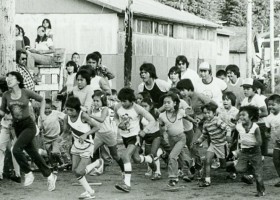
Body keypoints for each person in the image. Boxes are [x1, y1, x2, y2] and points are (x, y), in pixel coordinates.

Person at [0, 71, 57, 191]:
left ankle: (27, 172)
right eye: (7, 78)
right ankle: (50, 175)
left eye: (12, 78)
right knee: (34, 154)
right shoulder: (6, 95)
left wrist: (42, 114)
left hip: (29, 126)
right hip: (17, 127)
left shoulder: (25, 92)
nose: (8, 80)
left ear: (18, 81)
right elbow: (2, 112)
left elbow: (42, 100)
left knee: (15, 149)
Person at [114, 88, 157, 193]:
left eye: (125, 101)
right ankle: (149, 159)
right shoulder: (117, 106)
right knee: (137, 159)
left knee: (125, 156)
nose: (122, 103)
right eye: (121, 101)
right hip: (125, 136)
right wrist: (118, 124)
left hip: (135, 136)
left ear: (131, 100)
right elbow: (115, 117)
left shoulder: (138, 108)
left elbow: (152, 120)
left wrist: (145, 131)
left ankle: (127, 184)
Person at [61, 96, 101, 199]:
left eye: (71, 110)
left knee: (79, 171)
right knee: (75, 171)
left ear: (77, 109)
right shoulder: (66, 117)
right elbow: (66, 132)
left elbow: (97, 126)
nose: (69, 112)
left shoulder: (83, 116)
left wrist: (85, 134)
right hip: (76, 146)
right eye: (67, 109)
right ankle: (89, 190)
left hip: (88, 145)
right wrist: (60, 140)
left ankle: (97, 163)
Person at [194, 102, 231, 187]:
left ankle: (233, 164)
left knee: (223, 166)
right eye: (205, 113)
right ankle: (207, 180)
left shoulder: (217, 121)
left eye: (208, 113)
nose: (207, 115)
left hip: (221, 145)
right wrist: (199, 141)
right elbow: (204, 134)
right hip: (213, 145)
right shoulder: (205, 123)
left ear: (214, 113)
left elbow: (227, 128)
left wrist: (228, 136)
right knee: (207, 160)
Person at [158, 92, 190, 187]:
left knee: (172, 156)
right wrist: (162, 134)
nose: (166, 104)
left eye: (168, 102)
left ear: (175, 103)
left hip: (181, 137)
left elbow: (187, 116)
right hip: (171, 139)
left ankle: (173, 178)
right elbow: (161, 127)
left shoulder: (179, 112)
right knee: (181, 156)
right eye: (164, 103)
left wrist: (194, 121)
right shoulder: (162, 116)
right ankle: (190, 167)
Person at [88, 90, 124, 173]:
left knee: (115, 155)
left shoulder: (105, 109)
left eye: (97, 101)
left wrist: (90, 115)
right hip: (98, 135)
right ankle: (96, 168)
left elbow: (101, 119)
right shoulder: (93, 109)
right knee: (91, 152)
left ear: (102, 101)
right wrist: (89, 110)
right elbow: (88, 118)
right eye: (94, 101)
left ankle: (124, 169)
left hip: (108, 134)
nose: (95, 103)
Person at [235, 105, 265, 197]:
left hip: (255, 152)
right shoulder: (238, 126)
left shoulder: (255, 127)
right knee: (239, 169)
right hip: (244, 152)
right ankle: (251, 170)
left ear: (251, 116)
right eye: (240, 115)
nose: (241, 117)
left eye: (244, 115)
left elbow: (259, 142)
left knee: (258, 175)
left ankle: (261, 191)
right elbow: (234, 135)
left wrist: (246, 142)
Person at [240, 78, 268, 157]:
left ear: (254, 89)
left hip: (260, 125)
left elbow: (265, 112)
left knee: (261, 148)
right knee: (250, 145)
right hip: (250, 125)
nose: (245, 91)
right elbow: (241, 111)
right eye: (244, 89)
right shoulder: (245, 100)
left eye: (248, 89)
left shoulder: (257, 98)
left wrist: (252, 117)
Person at [0, 79, 20, 182]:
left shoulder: (16, 96)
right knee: (0, 148)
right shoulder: (2, 98)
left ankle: (17, 174)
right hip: (5, 125)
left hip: (16, 125)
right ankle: (0, 173)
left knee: (15, 149)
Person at [38, 99, 65, 172]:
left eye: (48, 108)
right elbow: (39, 126)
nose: (47, 110)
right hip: (47, 138)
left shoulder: (55, 113)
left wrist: (63, 123)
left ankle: (61, 161)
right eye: (45, 108)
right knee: (49, 154)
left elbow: (65, 116)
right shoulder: (41, 116)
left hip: (56, 137)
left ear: (51, 107)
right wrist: (40, 129)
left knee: (55, 152)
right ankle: (54, 166)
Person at [140, 98, 163, 180]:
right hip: (147, 137)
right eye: (142, 106)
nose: (143, 108)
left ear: (151, 106)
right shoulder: (141, 115)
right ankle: (150, 169)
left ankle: (157, 173)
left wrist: (160, 120)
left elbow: (162, 122)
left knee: (153, 154)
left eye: (145, 106)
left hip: (156, 136)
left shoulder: (155, 113)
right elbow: (141, 128)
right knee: (147, 154)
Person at [265, 94, 280, 187]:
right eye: (269, 105)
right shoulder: (269, 117)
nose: (270, 106)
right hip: (277, 143)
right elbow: (267, 129)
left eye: (273, 104)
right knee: (276, 160)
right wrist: (266, 134)